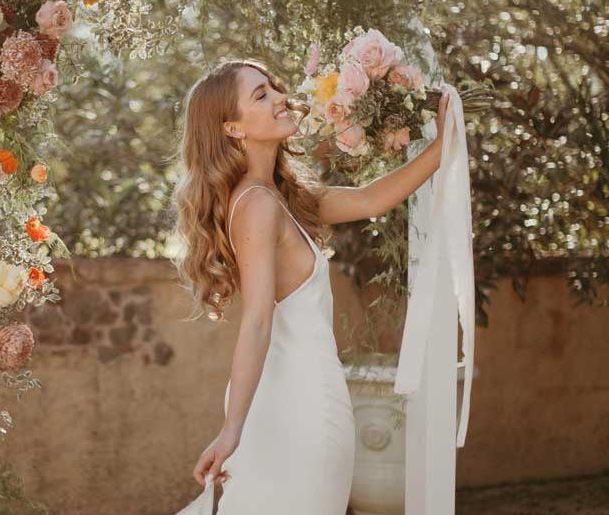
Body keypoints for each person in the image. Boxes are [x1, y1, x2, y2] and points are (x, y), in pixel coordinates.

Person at [171, 58, 449, 513]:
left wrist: (443, 146)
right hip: (296, 404)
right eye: (260, 95)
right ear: (233, 129)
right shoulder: (257, 204)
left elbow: (370, 199)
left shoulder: (278, 197)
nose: (280, 97)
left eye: (273, 87)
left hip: (298, 397)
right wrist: (231, 429)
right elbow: (258, 321)